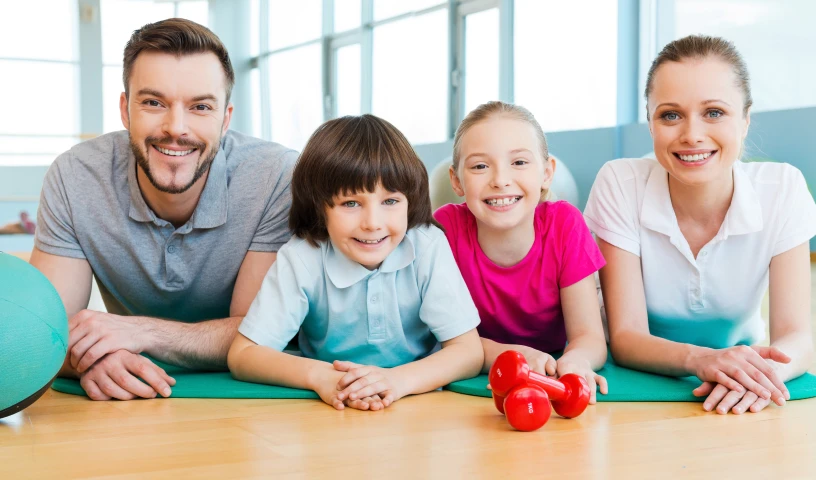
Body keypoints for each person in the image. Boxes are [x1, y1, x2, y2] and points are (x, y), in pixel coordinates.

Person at [30, 19, 297, 400]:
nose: (176, 128)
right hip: (128, 404)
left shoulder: (276, 176)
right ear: (125, 110)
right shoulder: (76, 176)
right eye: (153, 102)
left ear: (225, 119)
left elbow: (259, 332)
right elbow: (46, 332)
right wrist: (90, 358)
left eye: (201, 107)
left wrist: (142, 332)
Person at [584, 35, 816, 414]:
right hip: (638, 381)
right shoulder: (620, 183)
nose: (692, 134)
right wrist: (703, 361)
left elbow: (797, 340)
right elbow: (627, 337)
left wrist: (758, 375)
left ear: (745, 120)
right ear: (650, 123)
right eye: (670, 115)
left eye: (714, 112)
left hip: (741, 374)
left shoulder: (783, 189)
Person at [228, 115, 484, 411]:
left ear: (409, 201)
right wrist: (321, 377)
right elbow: (243, 354)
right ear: (319, 207)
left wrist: (396, 381)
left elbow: (468, 352)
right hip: (330, 409)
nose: (373, 224)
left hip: (420, 401)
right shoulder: (302, 256)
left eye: (390, 202)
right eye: (350, 203)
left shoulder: (427, 244)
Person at [435, 101, 609, 403]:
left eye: (519, 163)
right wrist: (511, 356)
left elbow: (589, 337)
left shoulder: (565, 225)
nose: (500, 180)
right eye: (479, 166)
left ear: (546, 172)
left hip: (550, 366)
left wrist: (576, 362)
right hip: (474, 379)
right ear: (456, 180)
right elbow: (439, 339)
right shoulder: (444, 231)